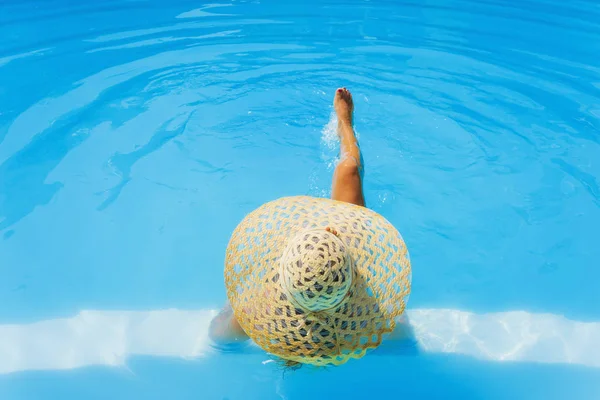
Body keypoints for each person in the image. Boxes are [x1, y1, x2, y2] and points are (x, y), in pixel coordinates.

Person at [209, 88, 411, 366]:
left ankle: (344, 124)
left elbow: (217, 337)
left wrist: (239, 301)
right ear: (337, 236)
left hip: (315, 297)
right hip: (348, 296)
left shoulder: (259, 310)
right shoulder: (378, 319)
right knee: (349, 169)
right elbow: (406, 339)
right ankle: (345, 126)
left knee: (348, 171)